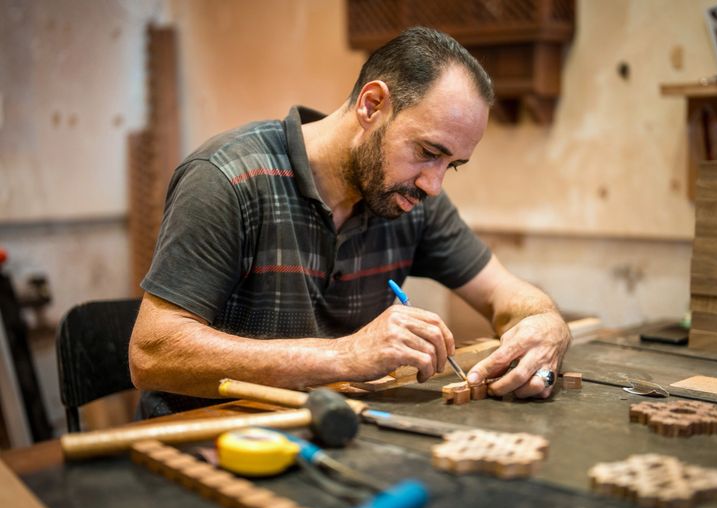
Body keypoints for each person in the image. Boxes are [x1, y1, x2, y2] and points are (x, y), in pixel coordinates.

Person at [129, 26, 571, 417]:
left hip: (328, 432)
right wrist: (346, 355)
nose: (433, 184)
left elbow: (506, 295)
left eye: (451, 165)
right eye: (428, 152)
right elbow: (152, 355)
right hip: (204, 443)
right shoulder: (228, 179)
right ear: (372, 104)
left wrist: (547, 323)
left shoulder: (409, 197)